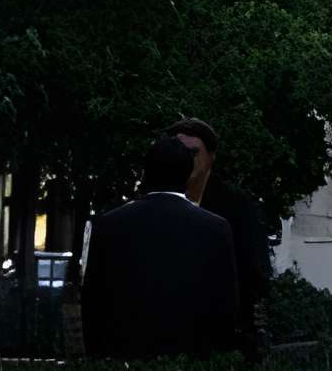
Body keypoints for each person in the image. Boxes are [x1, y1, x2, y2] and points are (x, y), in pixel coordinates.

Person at [81, 134, 240, 359]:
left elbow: (93, 301)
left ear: (147, 172)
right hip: (192, 361)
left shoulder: (109, 224)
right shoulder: (215, 228)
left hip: (123, 357)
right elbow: (226, 307)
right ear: (187, 174)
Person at [170, 116, 272, 357]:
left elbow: (254, 272)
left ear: (211, 157)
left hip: (222, 339)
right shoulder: (159, 201)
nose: (187, 161)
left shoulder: (236, 206)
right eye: (180, 154)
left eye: (194, 153)